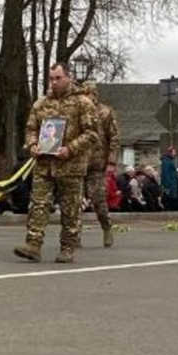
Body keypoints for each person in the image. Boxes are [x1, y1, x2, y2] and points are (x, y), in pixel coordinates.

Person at [13, 62, 98, 263]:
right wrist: (32, 144)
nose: (54, 82)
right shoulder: (41, 104)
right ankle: (33, 244)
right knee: (38, 204)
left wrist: (71, 149)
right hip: (44, 163)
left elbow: (92, 133)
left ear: (68, 77)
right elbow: (31, 128)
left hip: (70, 165)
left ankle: (67, 247)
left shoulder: (82, 103)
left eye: (58, 78)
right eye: (51, 78)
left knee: (70, 208)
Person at [80, 81, 120, 247]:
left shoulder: (105, 113)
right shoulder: (77, 112)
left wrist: (111, 162)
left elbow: (114, 138)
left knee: (98, 199)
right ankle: (73, 235)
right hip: (77, 162)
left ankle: (106, 227)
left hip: (97, 163)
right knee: (74, 201)